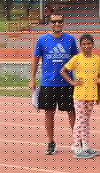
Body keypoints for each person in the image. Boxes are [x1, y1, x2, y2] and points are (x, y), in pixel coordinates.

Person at [30, 14, 78, 156]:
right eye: (54, 21)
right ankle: (51, 142)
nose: (57, 23)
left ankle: (77, 140)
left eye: (59, 21)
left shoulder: (70, 39)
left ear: (63, 23)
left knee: (72, 112)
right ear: (49, 23)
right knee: (49, 113)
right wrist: (31, 78)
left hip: (67, 83)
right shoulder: (41, 40)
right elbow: (35, 61)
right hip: (48, 83)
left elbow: (77, 60)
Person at [60, 34, 100, 158]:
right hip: (79, 95)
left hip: (91, 95)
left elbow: (98, 78)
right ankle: (77, 146)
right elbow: (62, 71)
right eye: (84, 44)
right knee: (79, 120)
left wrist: (98, 95)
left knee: (86, 121)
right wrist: (72, 82)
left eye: (89, 43)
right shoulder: (76, 58)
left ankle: (86, 146)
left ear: (93, 44)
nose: (86, 46)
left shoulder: (97, 59)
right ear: (80, 46)